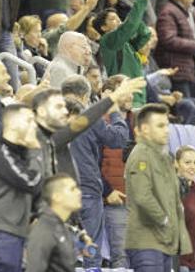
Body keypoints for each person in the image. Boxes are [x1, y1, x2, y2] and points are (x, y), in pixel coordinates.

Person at [65, 75, 131, 270]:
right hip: (87, 193)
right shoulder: (89, 117)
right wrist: (115, 112)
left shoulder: (50, 117)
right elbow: (117, 139)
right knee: (90, 251)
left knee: (63, 249)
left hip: (58, 194)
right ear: (86, 97)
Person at [124, 103, 191, 270]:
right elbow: (142, 196)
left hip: (162, 241)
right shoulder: (141, 155)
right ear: (145, 129)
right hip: (147, 242)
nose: (166, 130)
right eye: (160, 126)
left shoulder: (162, 156)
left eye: (167, 125)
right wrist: (164, 220)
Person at [0, 103, 42, 272]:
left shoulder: (17, 153)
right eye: (29, 120)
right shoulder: (0, 152)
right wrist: (36, 150)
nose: (34, 125)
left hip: (10, 234)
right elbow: (31, 183)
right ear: (12, 125)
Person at [96, 0, 151, 105]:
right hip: (124, 98)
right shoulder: (107, 41)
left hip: (139, 97)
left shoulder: (127, 43)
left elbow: (145, 34)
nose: (119, 22)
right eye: (112, 19)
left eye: (119, 19)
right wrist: (141, 0)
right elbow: (129, 27)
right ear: (103, 27)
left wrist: (136, 15)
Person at [25, 173, 83, 272]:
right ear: (57, 197)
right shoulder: (45, 231)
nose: (79, 192)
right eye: (72, 189)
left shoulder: (60, 226)